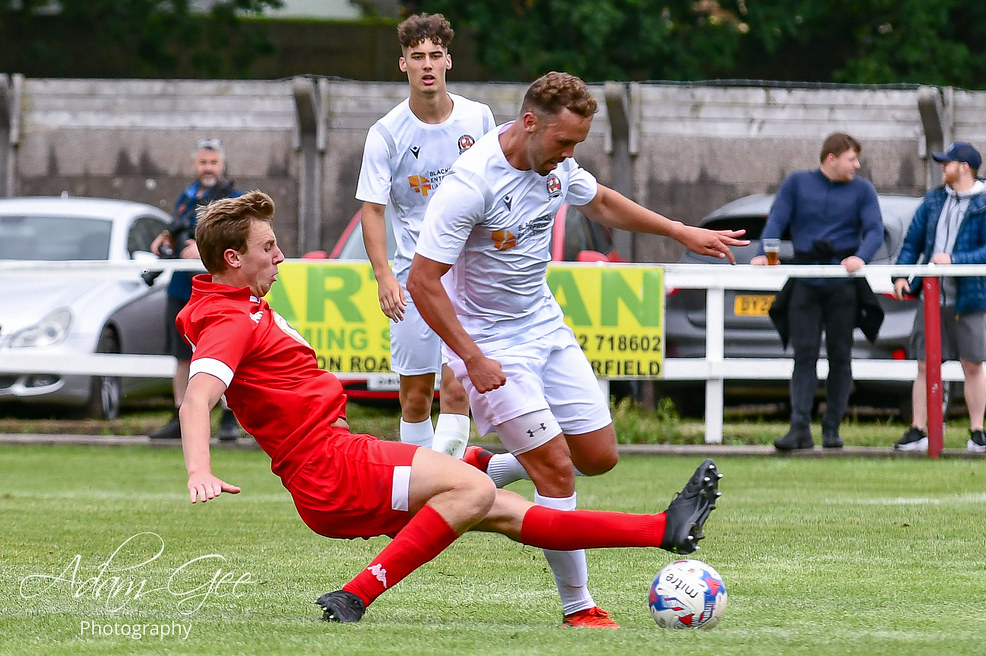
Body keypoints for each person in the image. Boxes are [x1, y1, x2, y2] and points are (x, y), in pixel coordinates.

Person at [176, 190, 723, 626]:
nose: (280, 256)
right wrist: (199, 469)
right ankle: (355, 595)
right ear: (234, 258)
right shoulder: (230, 320)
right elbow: (198, 396)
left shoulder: (234, 308)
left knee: (508, 512)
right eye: (268, 247)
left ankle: (663, 529)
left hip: (333, 468)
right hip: (333, 468)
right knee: (476, 487)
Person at [406, 71, 745, 628]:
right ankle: (578, 606)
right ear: (530, 122)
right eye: (564, 143)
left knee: (599, 458)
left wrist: (682, 232)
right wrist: (471, 358)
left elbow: (605, 203)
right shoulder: (471, 184)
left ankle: (488, 467)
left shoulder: (556, 167)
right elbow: (423, 281)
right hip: (492, 347)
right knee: (558, 473)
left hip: (545, 329)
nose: (569, 156)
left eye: (577, 146)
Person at [356, 13, 520, 479]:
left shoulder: (478, 118)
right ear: (402, 64)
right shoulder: (386, 133)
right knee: (414, 396)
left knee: (457, 388)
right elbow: (372, 208)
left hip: (468, 276)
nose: (426, 65)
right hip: (413, 277)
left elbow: (498, 185)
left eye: (434, 56)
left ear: (448, 60)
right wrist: (385, 275)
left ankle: (443, 488)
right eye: (416, 57)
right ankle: (420, 485)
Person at [754, 132, 884, 451]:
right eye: (852, 159)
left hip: (842, 283)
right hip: (805, 279)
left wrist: (860, 258)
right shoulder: (797, 184)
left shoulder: (863, 190)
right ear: (832, 158)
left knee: (841, 356)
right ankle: (799, 428)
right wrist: (763, 251)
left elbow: (875, 230)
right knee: (804, 356)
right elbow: (776, 221)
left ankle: (832, 430)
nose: (857, 165)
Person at [892, 142, 986, 453]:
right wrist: (900, 274)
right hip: (930, 297)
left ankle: (978, 432)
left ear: (965, 167)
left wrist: (954, 260)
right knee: (924, 364)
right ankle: (919, 429)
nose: (943, 167)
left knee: (972, 364)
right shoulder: (932, 201)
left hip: (969, 297)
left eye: (948, 163)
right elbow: (911, 242)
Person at [149, 137, 243, 442]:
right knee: (181, 356)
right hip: (181, 287)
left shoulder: (233, 198)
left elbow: (239, 241)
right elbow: (180, 228)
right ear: (194, 164)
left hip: (217, 289)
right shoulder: (186, 197)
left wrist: (202, 251)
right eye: (203, 162)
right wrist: (166, 239)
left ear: (222, 164)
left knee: (224, 354)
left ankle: (230, 417)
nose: (208, 168)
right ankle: (180, 417)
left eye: (213, 162)